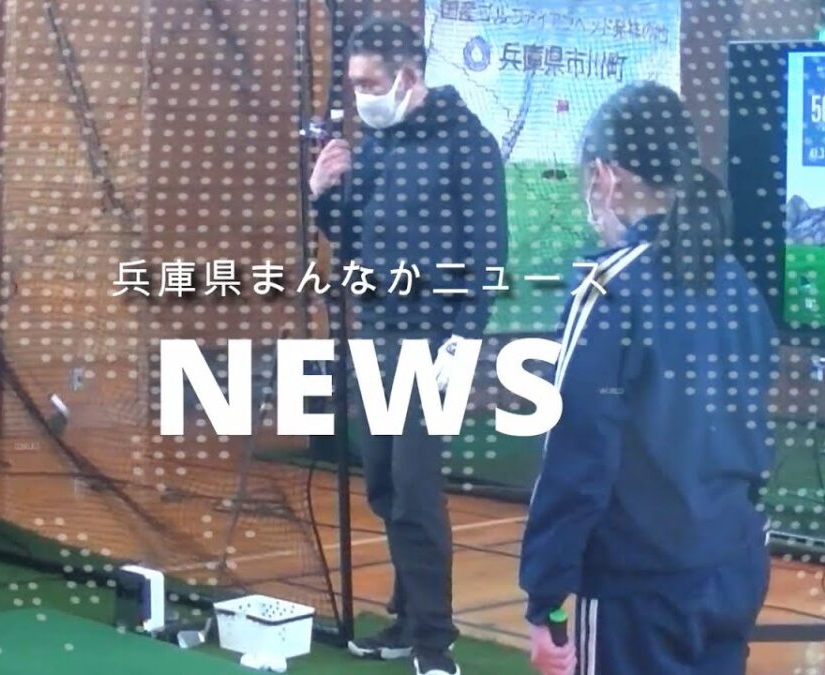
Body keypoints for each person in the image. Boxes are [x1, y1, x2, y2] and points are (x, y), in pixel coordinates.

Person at [520, 82, 776, 675]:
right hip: (732, 567)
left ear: (605, 177)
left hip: (639, 589)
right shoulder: (737, 285)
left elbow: (576, 454)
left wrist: (544, 598)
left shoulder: (608, 291)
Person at [310, 16, 508, 675]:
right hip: (380, 335)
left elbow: (489, 252)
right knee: (386, 482)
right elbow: (353, 239)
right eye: (354, 84)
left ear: (408, 75)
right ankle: (406, 616)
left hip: (435, 340)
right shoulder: (377, 144)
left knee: (417, 489)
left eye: (370, 83)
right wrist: (323, 196)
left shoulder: (467, 142)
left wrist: (464, 338)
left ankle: (434, 641)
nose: (360, 97)